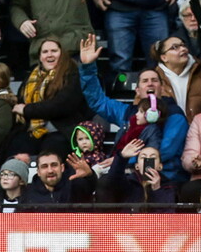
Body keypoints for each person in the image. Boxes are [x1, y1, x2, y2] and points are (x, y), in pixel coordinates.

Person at [79, 34, 189, 185]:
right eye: (145, 81)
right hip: (127, 175)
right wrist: (88, 67)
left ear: (162, 88)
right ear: (137, 90)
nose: (150, 84)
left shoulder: (175, 115)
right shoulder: (128, 112)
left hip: (165, 178)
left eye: (154, 80)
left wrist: (121, 160)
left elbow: (165, 151)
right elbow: (97, 101)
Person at [11, 38, 93, 157]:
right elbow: (20, 102)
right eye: (45, 52)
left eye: (54, 51)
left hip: (60, 131)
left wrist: (26, 110)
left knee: (50, 154)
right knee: (16, 152)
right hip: (32, 130)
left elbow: (60, 105)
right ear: (40, 57)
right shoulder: (31, 76)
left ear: (62, 54)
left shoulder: (72, 74)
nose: (49, 55)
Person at [151, 35, 201, 122]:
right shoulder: (152, 78)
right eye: (175, 47)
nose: (183, 49)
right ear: (164, 57)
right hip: (167, 130)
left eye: (183, 45)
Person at [20, 150, 95, 205]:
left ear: (62, 168)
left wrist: (89, 176)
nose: (50, 170)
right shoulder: (28, 194)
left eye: (54, 165)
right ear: (38, 172)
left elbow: (92, 188)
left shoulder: (75, 185)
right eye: (44, 166)